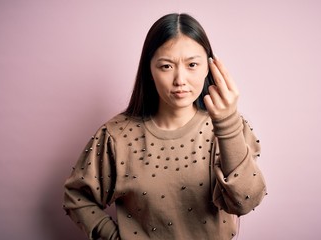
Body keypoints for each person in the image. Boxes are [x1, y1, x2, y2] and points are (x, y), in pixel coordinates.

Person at [63, 13, 267, 240]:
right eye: (166, 66)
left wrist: (227, 125)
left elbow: (245, 201)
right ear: (149, 70)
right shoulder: (116, 135)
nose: (180, 79)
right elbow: (76, 196)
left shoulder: (228, 128)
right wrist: (113, 237)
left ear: (209, 67)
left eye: (192, 65)